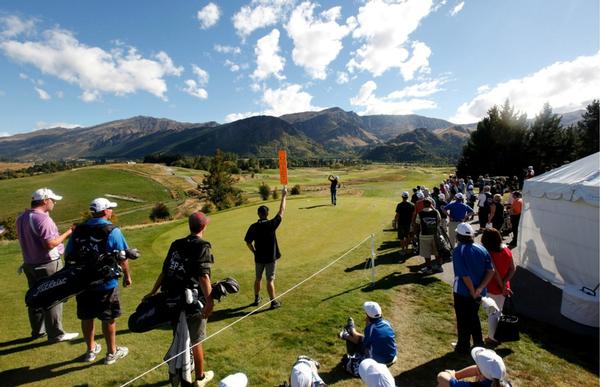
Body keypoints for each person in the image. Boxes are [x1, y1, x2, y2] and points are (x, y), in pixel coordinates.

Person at [143, 212, 215, 386]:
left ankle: (177, 373)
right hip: (192, 302)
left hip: (173, 300)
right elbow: (203, 277)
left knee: (179, 336)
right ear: (203, 226)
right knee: (197, 340)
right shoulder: (202, 245)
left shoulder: (176, 244)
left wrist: (153, 291)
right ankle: (199, 378)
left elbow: (165, 271)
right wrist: (210, 302)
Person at [65, 198, 132, 364]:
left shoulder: (79, 229)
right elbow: (123, 257)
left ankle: (90, 350)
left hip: (82, 282)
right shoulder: (112, 230)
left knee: (87, 317)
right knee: (108, 317)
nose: (111, 211)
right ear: (104, 211)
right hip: (105, 282)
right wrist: (127, 276)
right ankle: (111, 353)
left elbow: (68, 254)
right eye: (110, 209)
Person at [16, 188, 79, 342]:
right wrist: (68, 233)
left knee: (36, 297)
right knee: (53, 297)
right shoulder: (43, 219)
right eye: (52, 200)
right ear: (45, 201)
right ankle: (56, 334)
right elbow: (50, 244)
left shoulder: (22, 217)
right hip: (47, 264)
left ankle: (38, 331)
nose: (54, 202)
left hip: (30, 264)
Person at [451, 223, 494, 354]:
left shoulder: (458, 251)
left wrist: (473, 291)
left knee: (463, 319)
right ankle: (478, 342)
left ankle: (462, 346)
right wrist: (480, 289)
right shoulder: (481, 249)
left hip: (463, 292)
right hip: (479, 291)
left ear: (459, 236)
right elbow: (490, 270)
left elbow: (464, 275)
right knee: (473, 316)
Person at [245, 187, 287, 309]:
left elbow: (248, 242)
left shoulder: (253, 226)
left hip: (259, 257)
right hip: (270, 258)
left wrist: (254, 252)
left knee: (258, 279)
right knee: (270, 280)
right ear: (267, 214)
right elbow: (282, 211)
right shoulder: (271, 224)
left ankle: (257, 298)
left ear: (258, 214)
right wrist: (284, 196)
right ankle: (273, 302)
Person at [481, 228, 515, 345]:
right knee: (499, 312)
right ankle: (498, 336)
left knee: (492, 313)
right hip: (504, 287)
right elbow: (512, 269)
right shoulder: (507, 250)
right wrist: (505, 284)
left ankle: (492, 338)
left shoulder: (489, 253)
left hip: (493, 287)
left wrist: (502, 286)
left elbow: (494, 272)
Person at [339, 301, 397, 366]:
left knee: (360, 341)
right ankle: (350, 330)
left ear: (368, 316)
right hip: (392, 357)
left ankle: (347, 334)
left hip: (379, 362)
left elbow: (364, 344)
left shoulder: (370, 328)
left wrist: (367, 326)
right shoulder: (387, 323)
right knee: (367, 339)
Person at [437, 347, 511, 387]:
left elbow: (441, 377)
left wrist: (451, 374)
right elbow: (477, 369)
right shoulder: (499, 382)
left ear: (480, 373)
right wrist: (456, 375)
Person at [415, 198, 443, 274]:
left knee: (426, 253)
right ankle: (439, 267)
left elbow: (417, 225)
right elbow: (439, 220)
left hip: (424, 236)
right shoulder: (436, 212)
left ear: (423, 205)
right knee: (437, 252)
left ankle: (429, 268)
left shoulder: (420, 213)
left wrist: (416, 235)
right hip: (435, 235)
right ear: (431, 204)